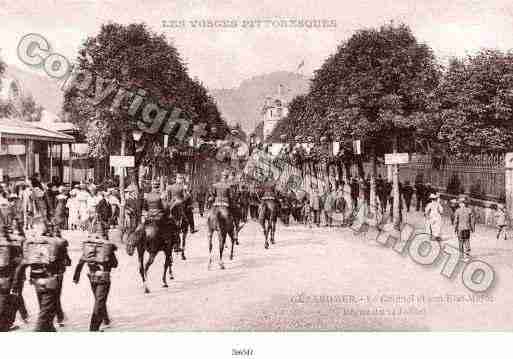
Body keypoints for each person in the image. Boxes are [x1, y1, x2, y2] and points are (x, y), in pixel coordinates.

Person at [12, 224, 71, 331]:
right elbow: (66, 256)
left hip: (37, 282)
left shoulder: (30, 245)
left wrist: (15, 285)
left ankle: (53, 325)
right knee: (44, 317)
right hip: (51, 282)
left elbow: (21, 266)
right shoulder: (56, 243)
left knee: (45, 314)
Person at [73, 224, 118, 331]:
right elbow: (115, 264)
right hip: (103, 277)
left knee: (99, 300)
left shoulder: (88, 245)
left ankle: (106, 319)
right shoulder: (106, 246)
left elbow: (81, 261)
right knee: (99, 301)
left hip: (92, 276)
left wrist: (76, 276)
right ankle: (93, 328)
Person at [0, 213, 23, 331]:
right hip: (5, 278)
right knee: (5, 300)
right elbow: (18, 262)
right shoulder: (12, 244)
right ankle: (4, 325)